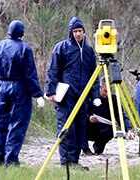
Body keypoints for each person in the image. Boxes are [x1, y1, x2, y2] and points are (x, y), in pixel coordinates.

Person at [45, 17, 100, 169]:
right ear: (70, 32)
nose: (77, 34)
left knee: (80, 127)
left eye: (79, 31)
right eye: (74, 31)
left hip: (82, 96)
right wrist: (50, 91)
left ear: (84, 32)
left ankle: (74, 161)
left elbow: (94, 74)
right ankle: (66, 161)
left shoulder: (89, 51)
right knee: (66, 127)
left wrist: (95, 95)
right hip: (66, 95)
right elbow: (53, 70)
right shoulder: (61, 48)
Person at [0, 20, 45, 166]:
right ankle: (10, 160)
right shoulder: (24, 48)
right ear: (21, 32)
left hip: (0, 87)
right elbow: (30, 74)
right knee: (17, 124)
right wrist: (37, 94)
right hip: (19, 88)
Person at [82, 76, 135, 155]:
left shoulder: (113, 99)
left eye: (109, 92)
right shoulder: (88, 96)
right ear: (100, 88)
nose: (107, 94)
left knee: (111, 129)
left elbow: (120, 115)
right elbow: (81, 112)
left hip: (102, 129)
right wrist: (88, 118)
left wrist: (129, 129)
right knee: (79, 123)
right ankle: (85, 149)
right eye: (105, 91)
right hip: (88, 127)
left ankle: (98, 149)